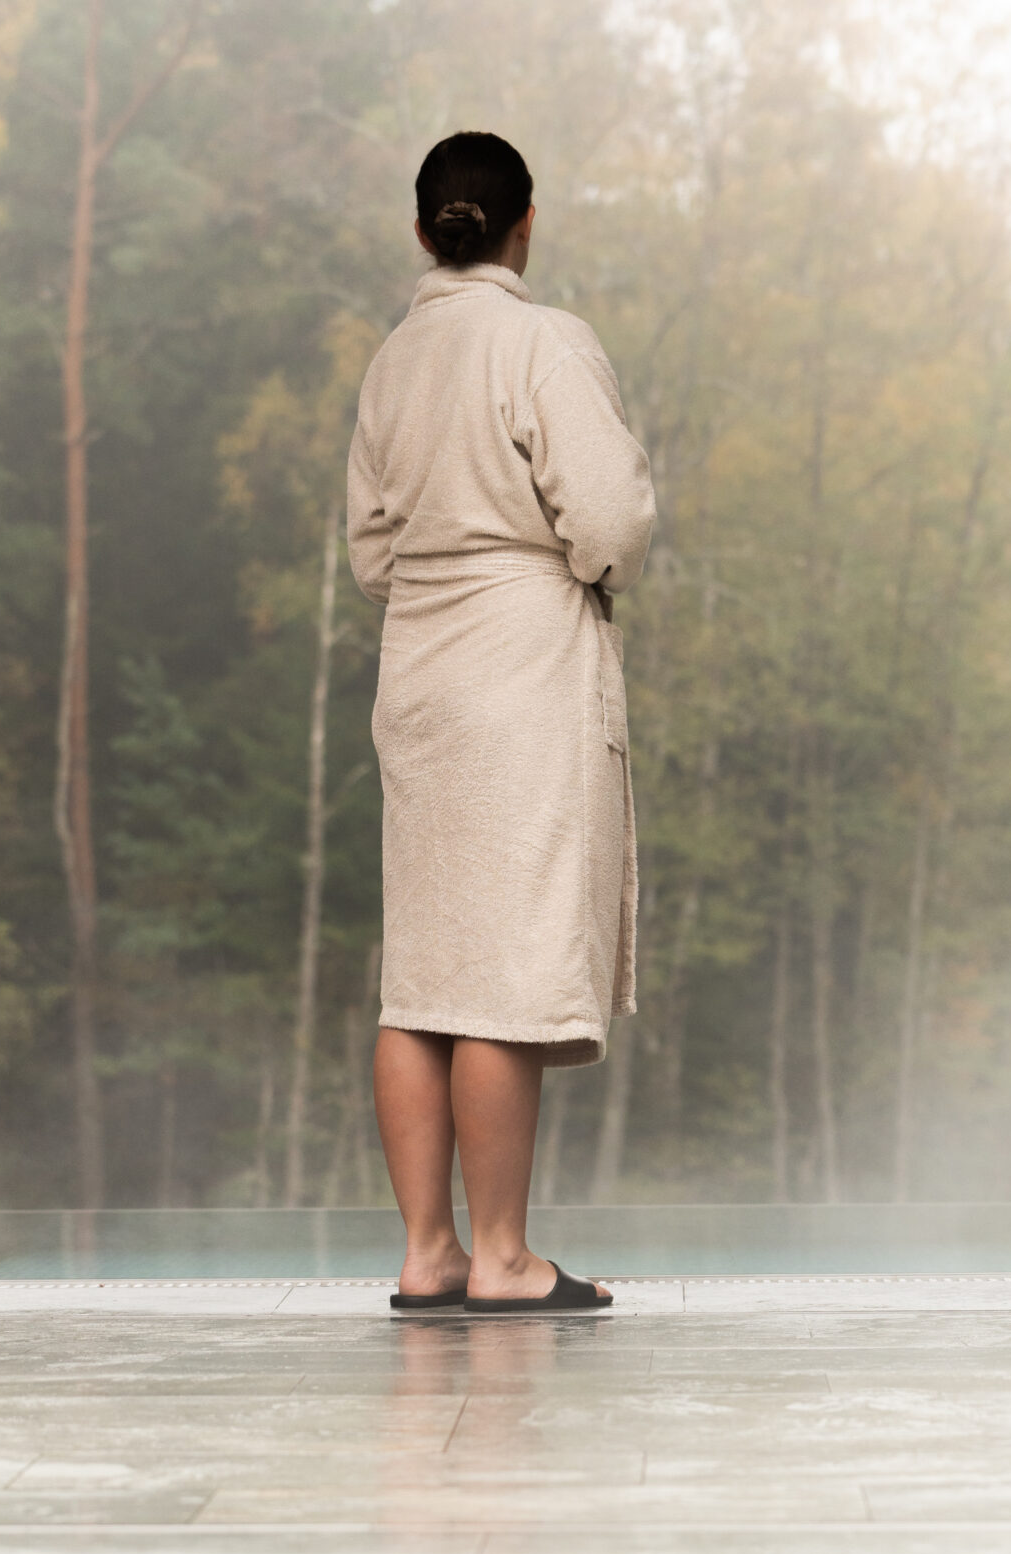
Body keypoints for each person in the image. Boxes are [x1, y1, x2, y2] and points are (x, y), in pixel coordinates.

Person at [348, 131, 656, 1314]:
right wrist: (560, 566)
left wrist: (441, 572)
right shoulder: (543, 344)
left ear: (427, 229)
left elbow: (371, 548)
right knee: (506, 968)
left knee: (423, 973)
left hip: (420, 669)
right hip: (523, 666)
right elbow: (613, 523)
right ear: (523, 221)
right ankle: (507, 1257)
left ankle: (428, 1251)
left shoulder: (393, 364)